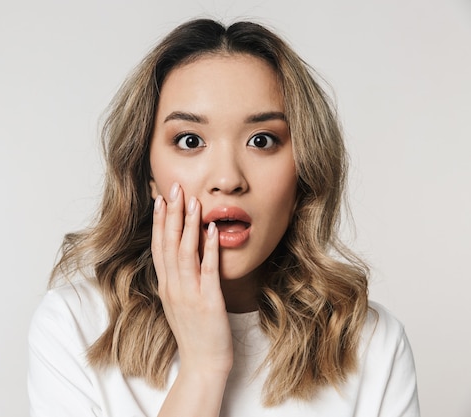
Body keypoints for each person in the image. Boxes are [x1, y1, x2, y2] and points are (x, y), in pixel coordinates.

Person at [28, 18, 420, 417]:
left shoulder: (373, 345)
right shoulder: (75, 326)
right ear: (147, 175)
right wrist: (203, 368)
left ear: (304, 167)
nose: (228, 179)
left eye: (262, 141)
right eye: (190, 141)